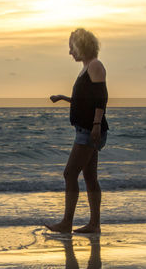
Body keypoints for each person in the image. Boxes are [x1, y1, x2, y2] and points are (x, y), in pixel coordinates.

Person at [45, 27, 108, 234]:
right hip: (86, 129)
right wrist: (63, 98)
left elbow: (101, 98)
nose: (70, 52)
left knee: (69, 173)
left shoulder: (95, 65)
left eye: (72, 47)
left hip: (90, 130)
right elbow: (85, 102)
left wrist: (97, 125)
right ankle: (94, 224)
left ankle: (66, 223)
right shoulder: (87, 67)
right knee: (90, 177)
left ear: (81, 46)